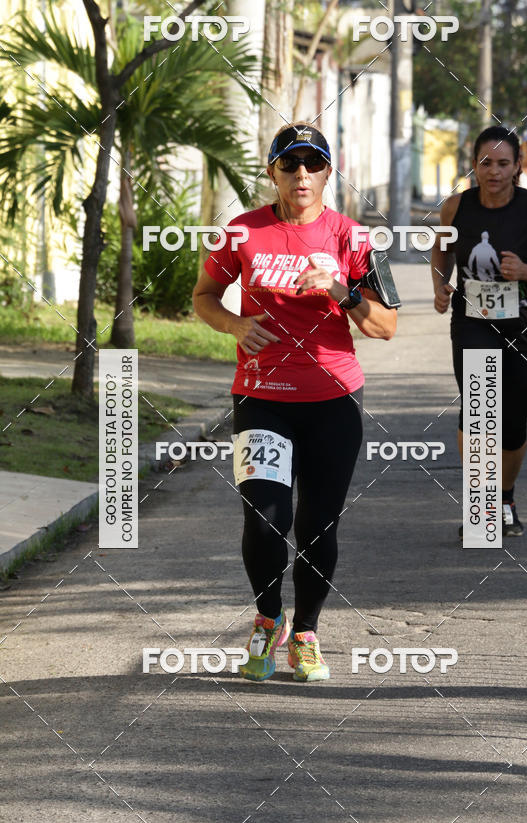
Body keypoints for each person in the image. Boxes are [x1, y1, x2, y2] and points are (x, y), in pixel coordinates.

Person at [192, 122, 397, 682]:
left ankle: (305, 632)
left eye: (313, 164)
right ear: (273, 173)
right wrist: (235, 325)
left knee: (317, 526)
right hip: (262, 397)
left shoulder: (354, 239)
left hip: (334, 399)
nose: (301, 175)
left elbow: (386, 326)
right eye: (290, 165)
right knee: (263, 518)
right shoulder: (241, 233)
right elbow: (204, 298)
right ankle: (267, 618)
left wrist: (339, 289)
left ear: (329, 172)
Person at [431, 125, 527, 537]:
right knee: (479, 414)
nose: (493, 172)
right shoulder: (456, 207)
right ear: (474, 165)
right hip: (473, 323)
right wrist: (440, 283)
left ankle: (505, 495)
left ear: (516, 168)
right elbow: (441, 248)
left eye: (503, 163)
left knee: (511, 423)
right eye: (485, 163)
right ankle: (481, 503)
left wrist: (526, 271)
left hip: (525, 325)